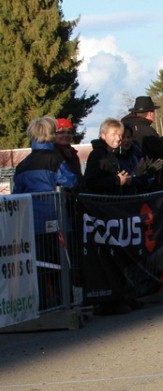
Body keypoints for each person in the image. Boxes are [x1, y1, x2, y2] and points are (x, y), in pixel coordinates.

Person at [12, 116, 78, 308]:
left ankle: (44, 303)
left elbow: (18, 193)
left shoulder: (23, 164)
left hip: (33, 221)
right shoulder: (54, 159)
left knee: (41, 264)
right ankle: (65, 301)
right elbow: (70, 181)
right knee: (62, 263)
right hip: (56, 217)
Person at [121, 96, 163, 190]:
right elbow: (162, 151)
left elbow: (153, 144)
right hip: (148, 181)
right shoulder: (146, 130)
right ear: (150, 113)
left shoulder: (125, 127)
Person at [83, 118, 133, 195]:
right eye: (113, 134)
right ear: (103, 135)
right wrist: (117, 180)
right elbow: (91, 183)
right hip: (102, 203)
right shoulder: (97, 155)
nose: (118, 138)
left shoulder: (116, 154)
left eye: (120, 135)